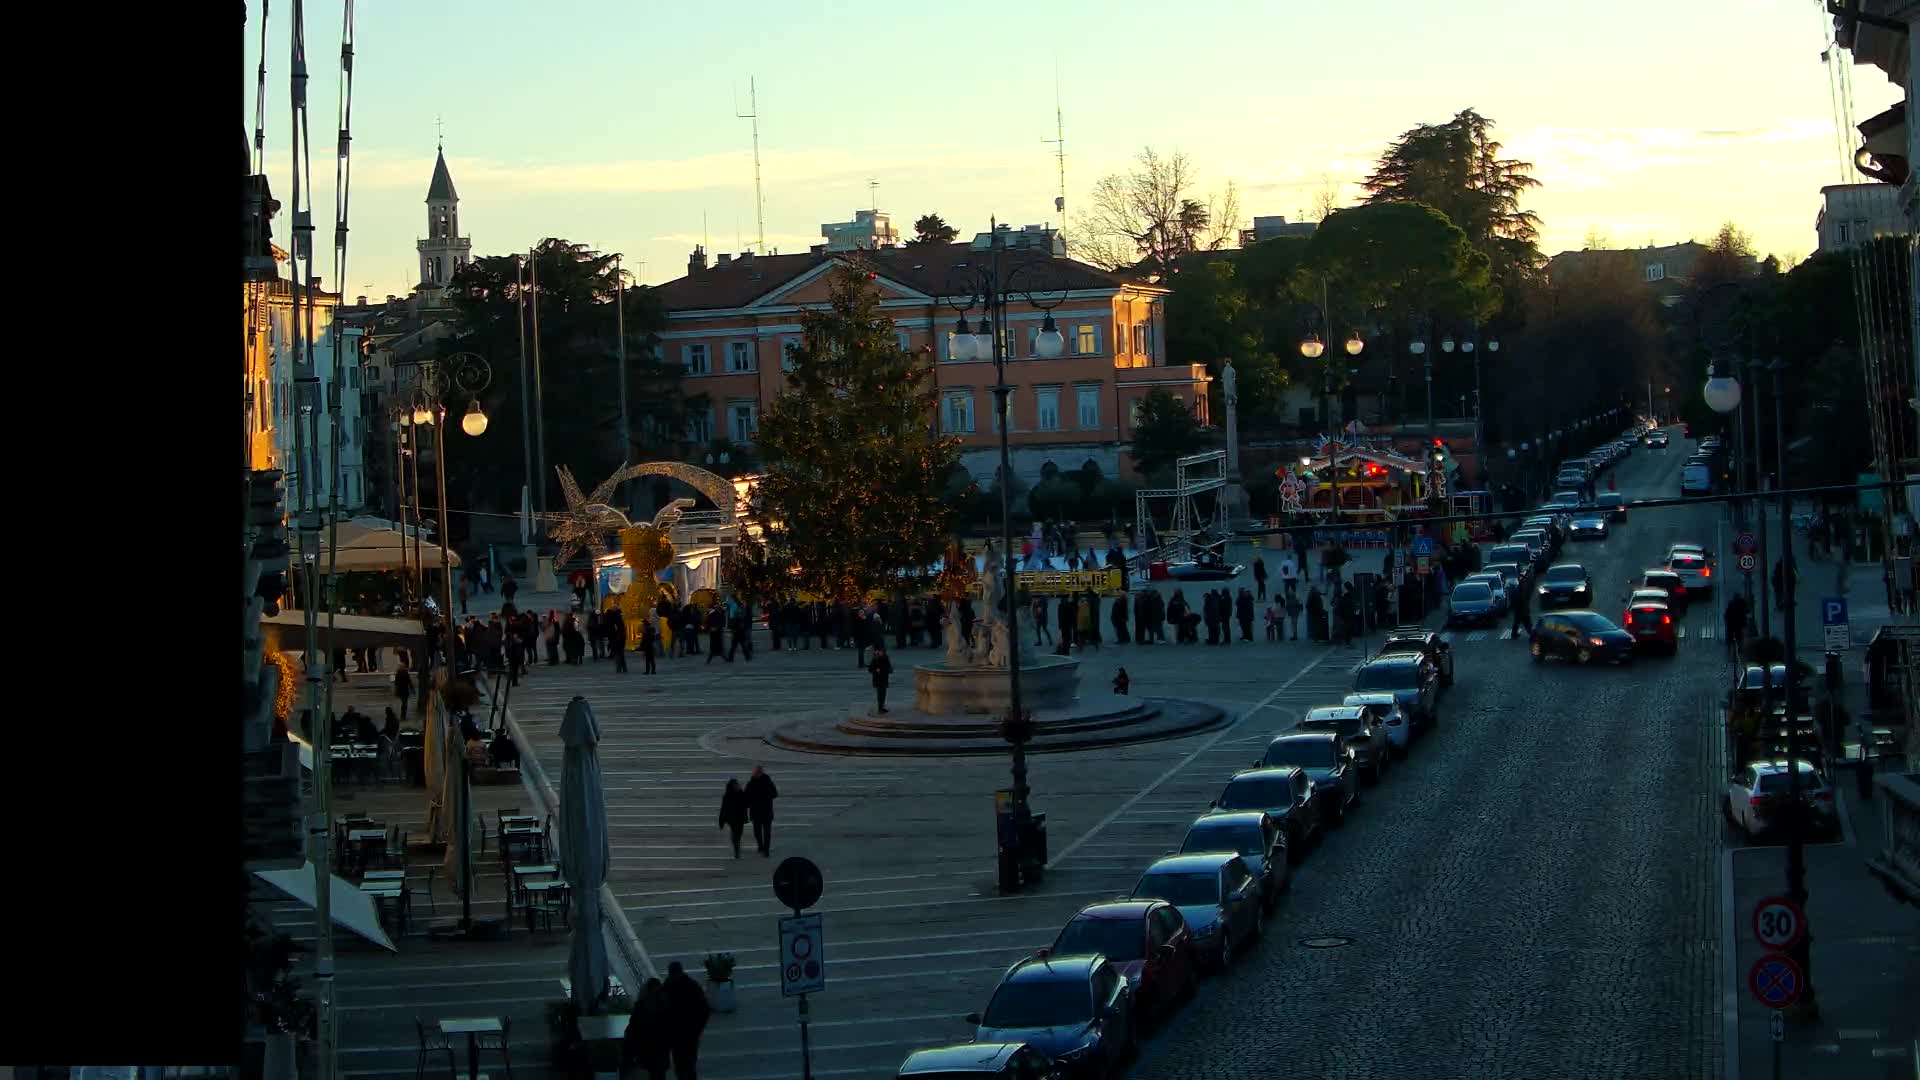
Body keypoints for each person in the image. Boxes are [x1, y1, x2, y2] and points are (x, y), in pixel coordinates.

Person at [662, 961, 711, 1080]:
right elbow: (704, 1009)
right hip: (686, 1034)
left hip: (681, 1033)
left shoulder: (670, 986)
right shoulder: (691, 986)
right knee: (686, 1065)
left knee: (684, 1065)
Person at [622, 977, 672, 1080]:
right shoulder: (665, 1006)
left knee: (653, 1073)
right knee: (659, 1074)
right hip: (660, 1049)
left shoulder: (641, 1006)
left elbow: (633, 1028)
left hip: (647, 1048)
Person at [744, 766, 778, 857]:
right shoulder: (751, 783)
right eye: (754, 772)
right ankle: (760, 846)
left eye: (757, 772)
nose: (754, 774)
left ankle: (766, 850)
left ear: (761, 773)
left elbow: (775, 793)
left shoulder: (768, 782)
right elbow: (746, 797)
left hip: (766, 811)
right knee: (757, 832)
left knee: (767, 833)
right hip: (756, 812)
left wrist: (765, 796)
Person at [717, 778, 750, 858]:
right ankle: (737, 850)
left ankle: (736, 844)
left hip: (740, 818)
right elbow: (723, 809)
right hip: (732, 819)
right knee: (735, 834)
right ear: (731, 786)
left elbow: (747, 804)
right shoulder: (727, 796)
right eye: (735, 785)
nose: (737, 786)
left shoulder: (741, 794)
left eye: (737, 785)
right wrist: (721, 821)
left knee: (739, 833)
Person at [869, 640, 894, 714]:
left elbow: (889, 667)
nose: (882, 653)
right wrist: (876, 670)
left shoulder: (886, 658)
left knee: (883, 694)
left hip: (884, 678)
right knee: (880, 694)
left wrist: (890, 670)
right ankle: (880, 708)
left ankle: (882, 707)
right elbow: (870, 669)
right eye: (880, 651)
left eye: (883, 651)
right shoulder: (875, 659)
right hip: (878, 679)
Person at [1724, 593, 1750, 662]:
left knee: (1732, 641)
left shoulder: (1732, 605)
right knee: (1738, 640)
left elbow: (1726, 616)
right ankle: (1736, 653)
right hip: (1737, 626)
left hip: (1732, 626)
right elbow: (1746, 612)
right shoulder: (1741, 604)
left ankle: (1731, 654)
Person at [1510, 574, 1533, 641]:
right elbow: (1523, 599)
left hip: (1519, 610)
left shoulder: (1519, 589)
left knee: (1518, 622)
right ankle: (1532, 635)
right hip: (1521, 609)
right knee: (1527, 623)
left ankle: (1514, 634)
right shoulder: (1521, 589)